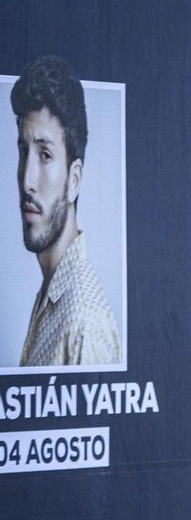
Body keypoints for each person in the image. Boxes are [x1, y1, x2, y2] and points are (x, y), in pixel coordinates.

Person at [13, 55, 120, 368]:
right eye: (23, 152)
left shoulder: (83, 324)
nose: (27, 180)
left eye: (45, 155)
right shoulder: (52, 294)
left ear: (74, 181)